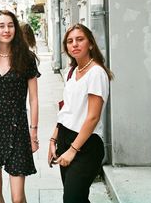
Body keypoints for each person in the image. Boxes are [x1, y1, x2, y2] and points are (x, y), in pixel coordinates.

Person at [0, 10, 40, 203]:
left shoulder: (26, 58)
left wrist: (33, 133)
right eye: (1, 25)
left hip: (17, 127)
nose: (6, 29)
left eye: (10, 25)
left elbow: (34, 99)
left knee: (18, 197)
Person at [48, 23, 113, 203]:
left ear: (90, 44)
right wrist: (54, 139)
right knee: (77, 198)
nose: (74, 44)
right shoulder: (72, 71)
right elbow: (66, 110)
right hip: (65, 137)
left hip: (86, 144)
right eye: (70, 41)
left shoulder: (96, 73)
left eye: (80, 39)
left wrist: (72, 150)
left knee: (72, 198)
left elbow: (93, 117)